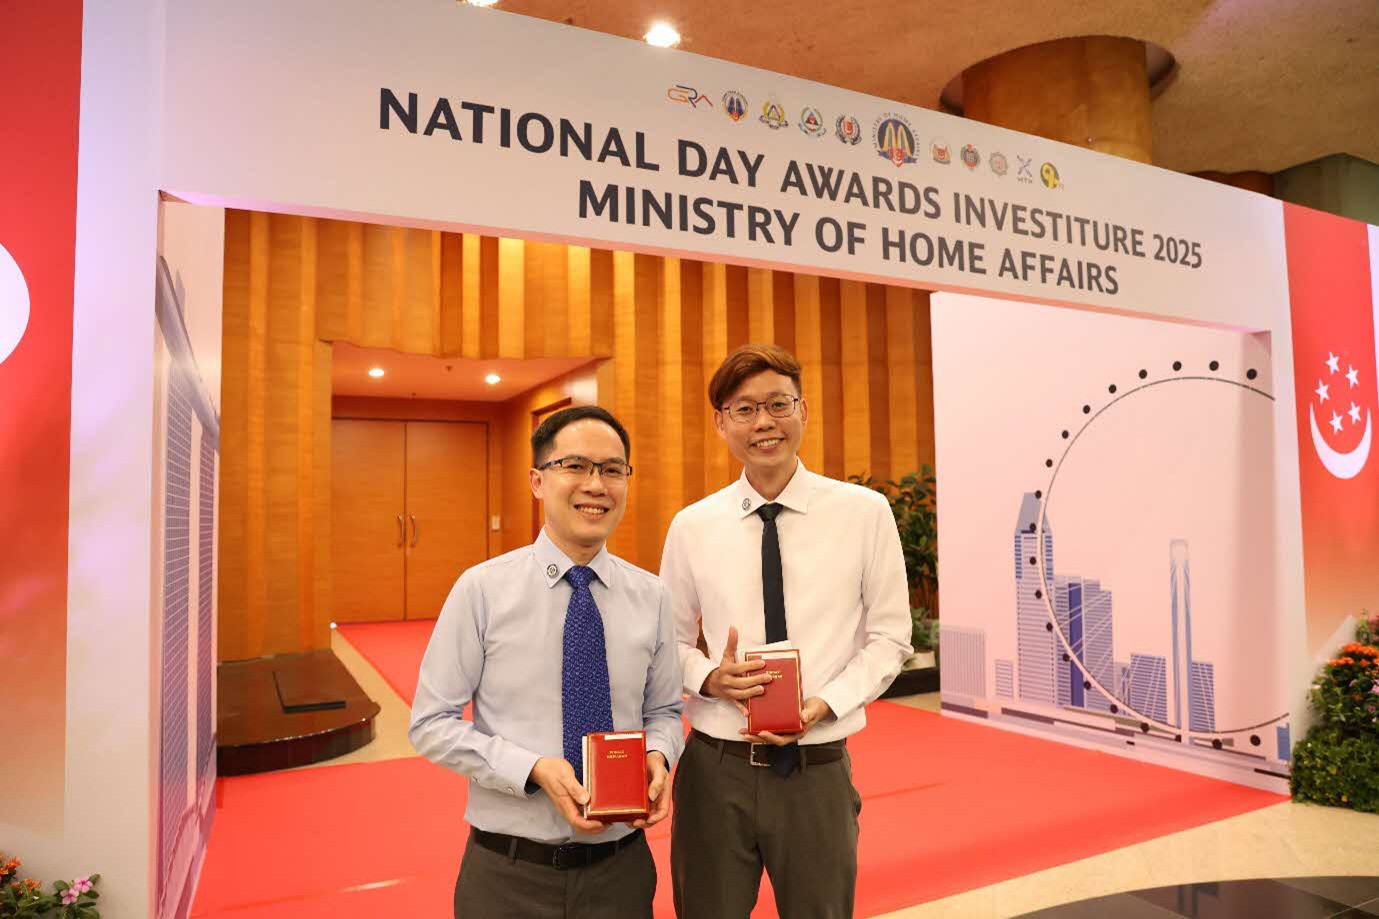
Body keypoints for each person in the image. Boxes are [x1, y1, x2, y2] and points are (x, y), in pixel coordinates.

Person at [660, 344, 912, 919]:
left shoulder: (863, 512)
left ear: (804, 410)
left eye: (778, 404)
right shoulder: (693, 525)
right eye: (745, 409)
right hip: (716, 767)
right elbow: (666, 641)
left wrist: (826, 703)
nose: (764, 422)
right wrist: (708, 677)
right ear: (722, 423)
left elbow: (891, 636)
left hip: (816, 769)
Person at [410, 405, 684, 919]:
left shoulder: (652, 596)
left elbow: (665, 711)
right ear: (538, 481)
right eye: (575, 466)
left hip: (620, 871)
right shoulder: (483, 590)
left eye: (612, 469)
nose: (595, 484)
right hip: (508, 874)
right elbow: (430, 724)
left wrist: (660, 757)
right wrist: (531, 769)